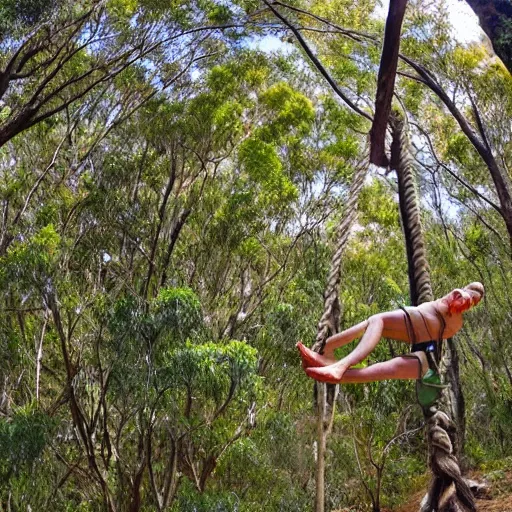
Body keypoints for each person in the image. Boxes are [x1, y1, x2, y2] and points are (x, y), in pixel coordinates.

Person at [298, 282, 484, 385]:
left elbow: (454, 302)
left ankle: (337, 362)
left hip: (423, 347)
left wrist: (461, 297)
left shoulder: (458, 303)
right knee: (372, 325)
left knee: (376, 321)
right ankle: (328, 356)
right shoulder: (457, 320)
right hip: (422, 349)